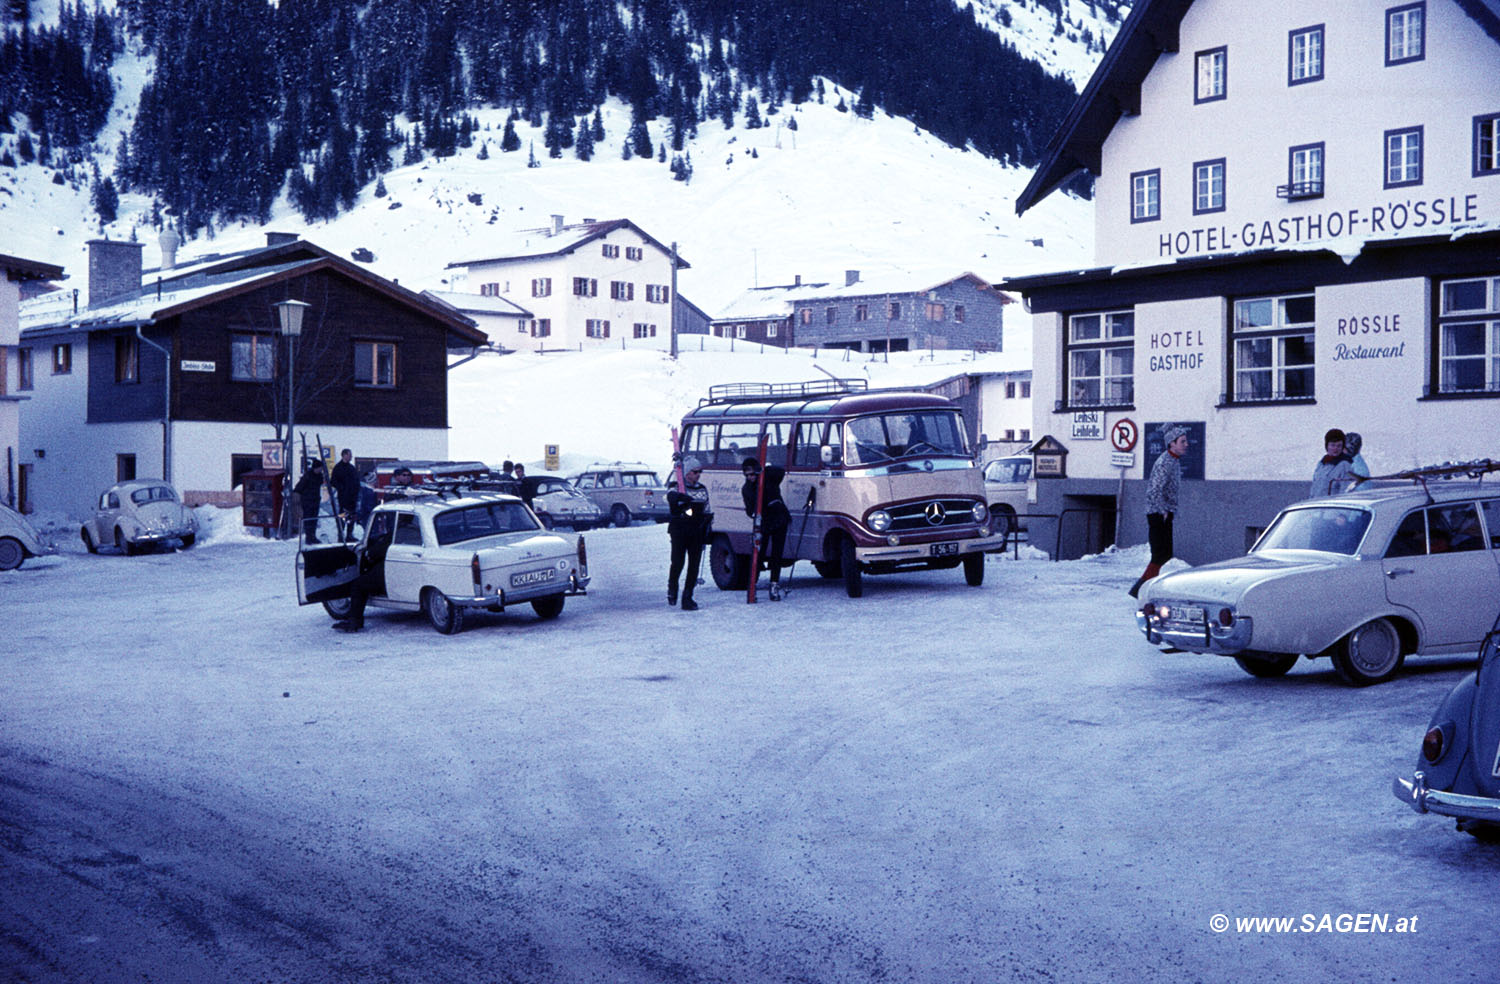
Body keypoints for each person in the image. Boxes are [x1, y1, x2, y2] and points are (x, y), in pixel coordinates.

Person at [1129, 424, 1188, 599]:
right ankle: (1141, 589)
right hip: (1158, 513)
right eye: (1182, 441)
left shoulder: (1173, 460)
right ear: (1172, 443)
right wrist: (1162, 510)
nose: (1186, 444)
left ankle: (1145, 588)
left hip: (1165, 513)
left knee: (1165, 554)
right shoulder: (1165, 462)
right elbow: (1155, 489)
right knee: (1160, 554)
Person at [333, 510, 395, 633]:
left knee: (359, 585)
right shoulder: (412, 530)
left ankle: (354, 620)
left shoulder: (396, 533)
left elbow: (375, 553)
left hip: (390, 571)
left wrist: (369, 553)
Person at [741, 457, 792, 600]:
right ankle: (753, 585)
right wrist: (753, 513)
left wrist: (764, 469)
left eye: (752, 474)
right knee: (759, 553)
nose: (750, 477)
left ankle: (774, 584)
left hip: (779, 519)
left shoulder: (769, 479)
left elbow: (780, 471)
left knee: (777, 554)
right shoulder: (747, 489)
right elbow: (749, 508)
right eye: (747, 475)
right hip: (763, 522)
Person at [667, 457, 712, 611]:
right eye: (695, 472)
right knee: (678, 562)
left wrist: (707, 526)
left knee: (694, 565)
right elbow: (670, 496)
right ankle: (672, 587)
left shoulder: (702, 489)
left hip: (696, 531)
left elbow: (706, 508)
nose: (698, 475)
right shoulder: (677, 486)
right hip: (679, 530)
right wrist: (680, 498)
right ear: (686, 473)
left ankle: (688, 597)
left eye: (700, 472)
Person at [1310, 428, 1356, 497]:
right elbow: (1314, 487)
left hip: (1331, 506)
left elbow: (1346, 492)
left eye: (1339, 446)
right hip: (1317, 504)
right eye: (1333, 445)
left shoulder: (1344, 465)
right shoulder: (1322, 463)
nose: (1335, 448)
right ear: (1327, 446)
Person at [293, 458, 326, 544]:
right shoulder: (307, 476)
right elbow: (298, 488)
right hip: (307, 502)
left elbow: (321, 482)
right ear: (316, 467)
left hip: (315, 500)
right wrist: (297, 501)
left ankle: (313, 536)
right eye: (320, 468)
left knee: (314, 520)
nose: (321, 469)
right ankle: (309, 537)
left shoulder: (319, 476)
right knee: (308, 519)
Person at [331, 448, 362, 540]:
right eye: (349, 455)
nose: (351, 457)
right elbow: (333, 481)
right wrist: (342, 488)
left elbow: (356, 481)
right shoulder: (338, 468)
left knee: (351, 516)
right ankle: (341, 535)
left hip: (353, 498)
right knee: (342, 516)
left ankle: (349, 534)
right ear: (344, 455)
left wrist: (357, 490)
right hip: (343, 498)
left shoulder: (352, 468)